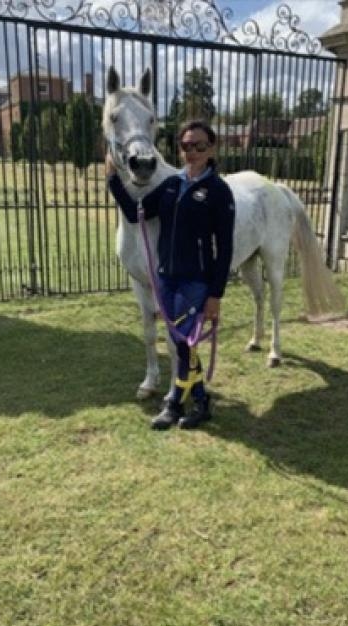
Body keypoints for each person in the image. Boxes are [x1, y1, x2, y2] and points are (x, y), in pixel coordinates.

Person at [107, 120, 236, 430]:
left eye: (199, 146)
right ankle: (201, 402)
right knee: (182, 343)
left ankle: (175, 404)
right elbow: (134, 211)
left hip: (196, 281)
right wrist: (112, 179)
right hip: (166, 277)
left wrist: (215, 295)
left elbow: (226, 248)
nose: (192, 152)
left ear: (212, 148)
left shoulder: (218, 191)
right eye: (186, 146)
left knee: (182, 343)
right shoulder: (172, 185)